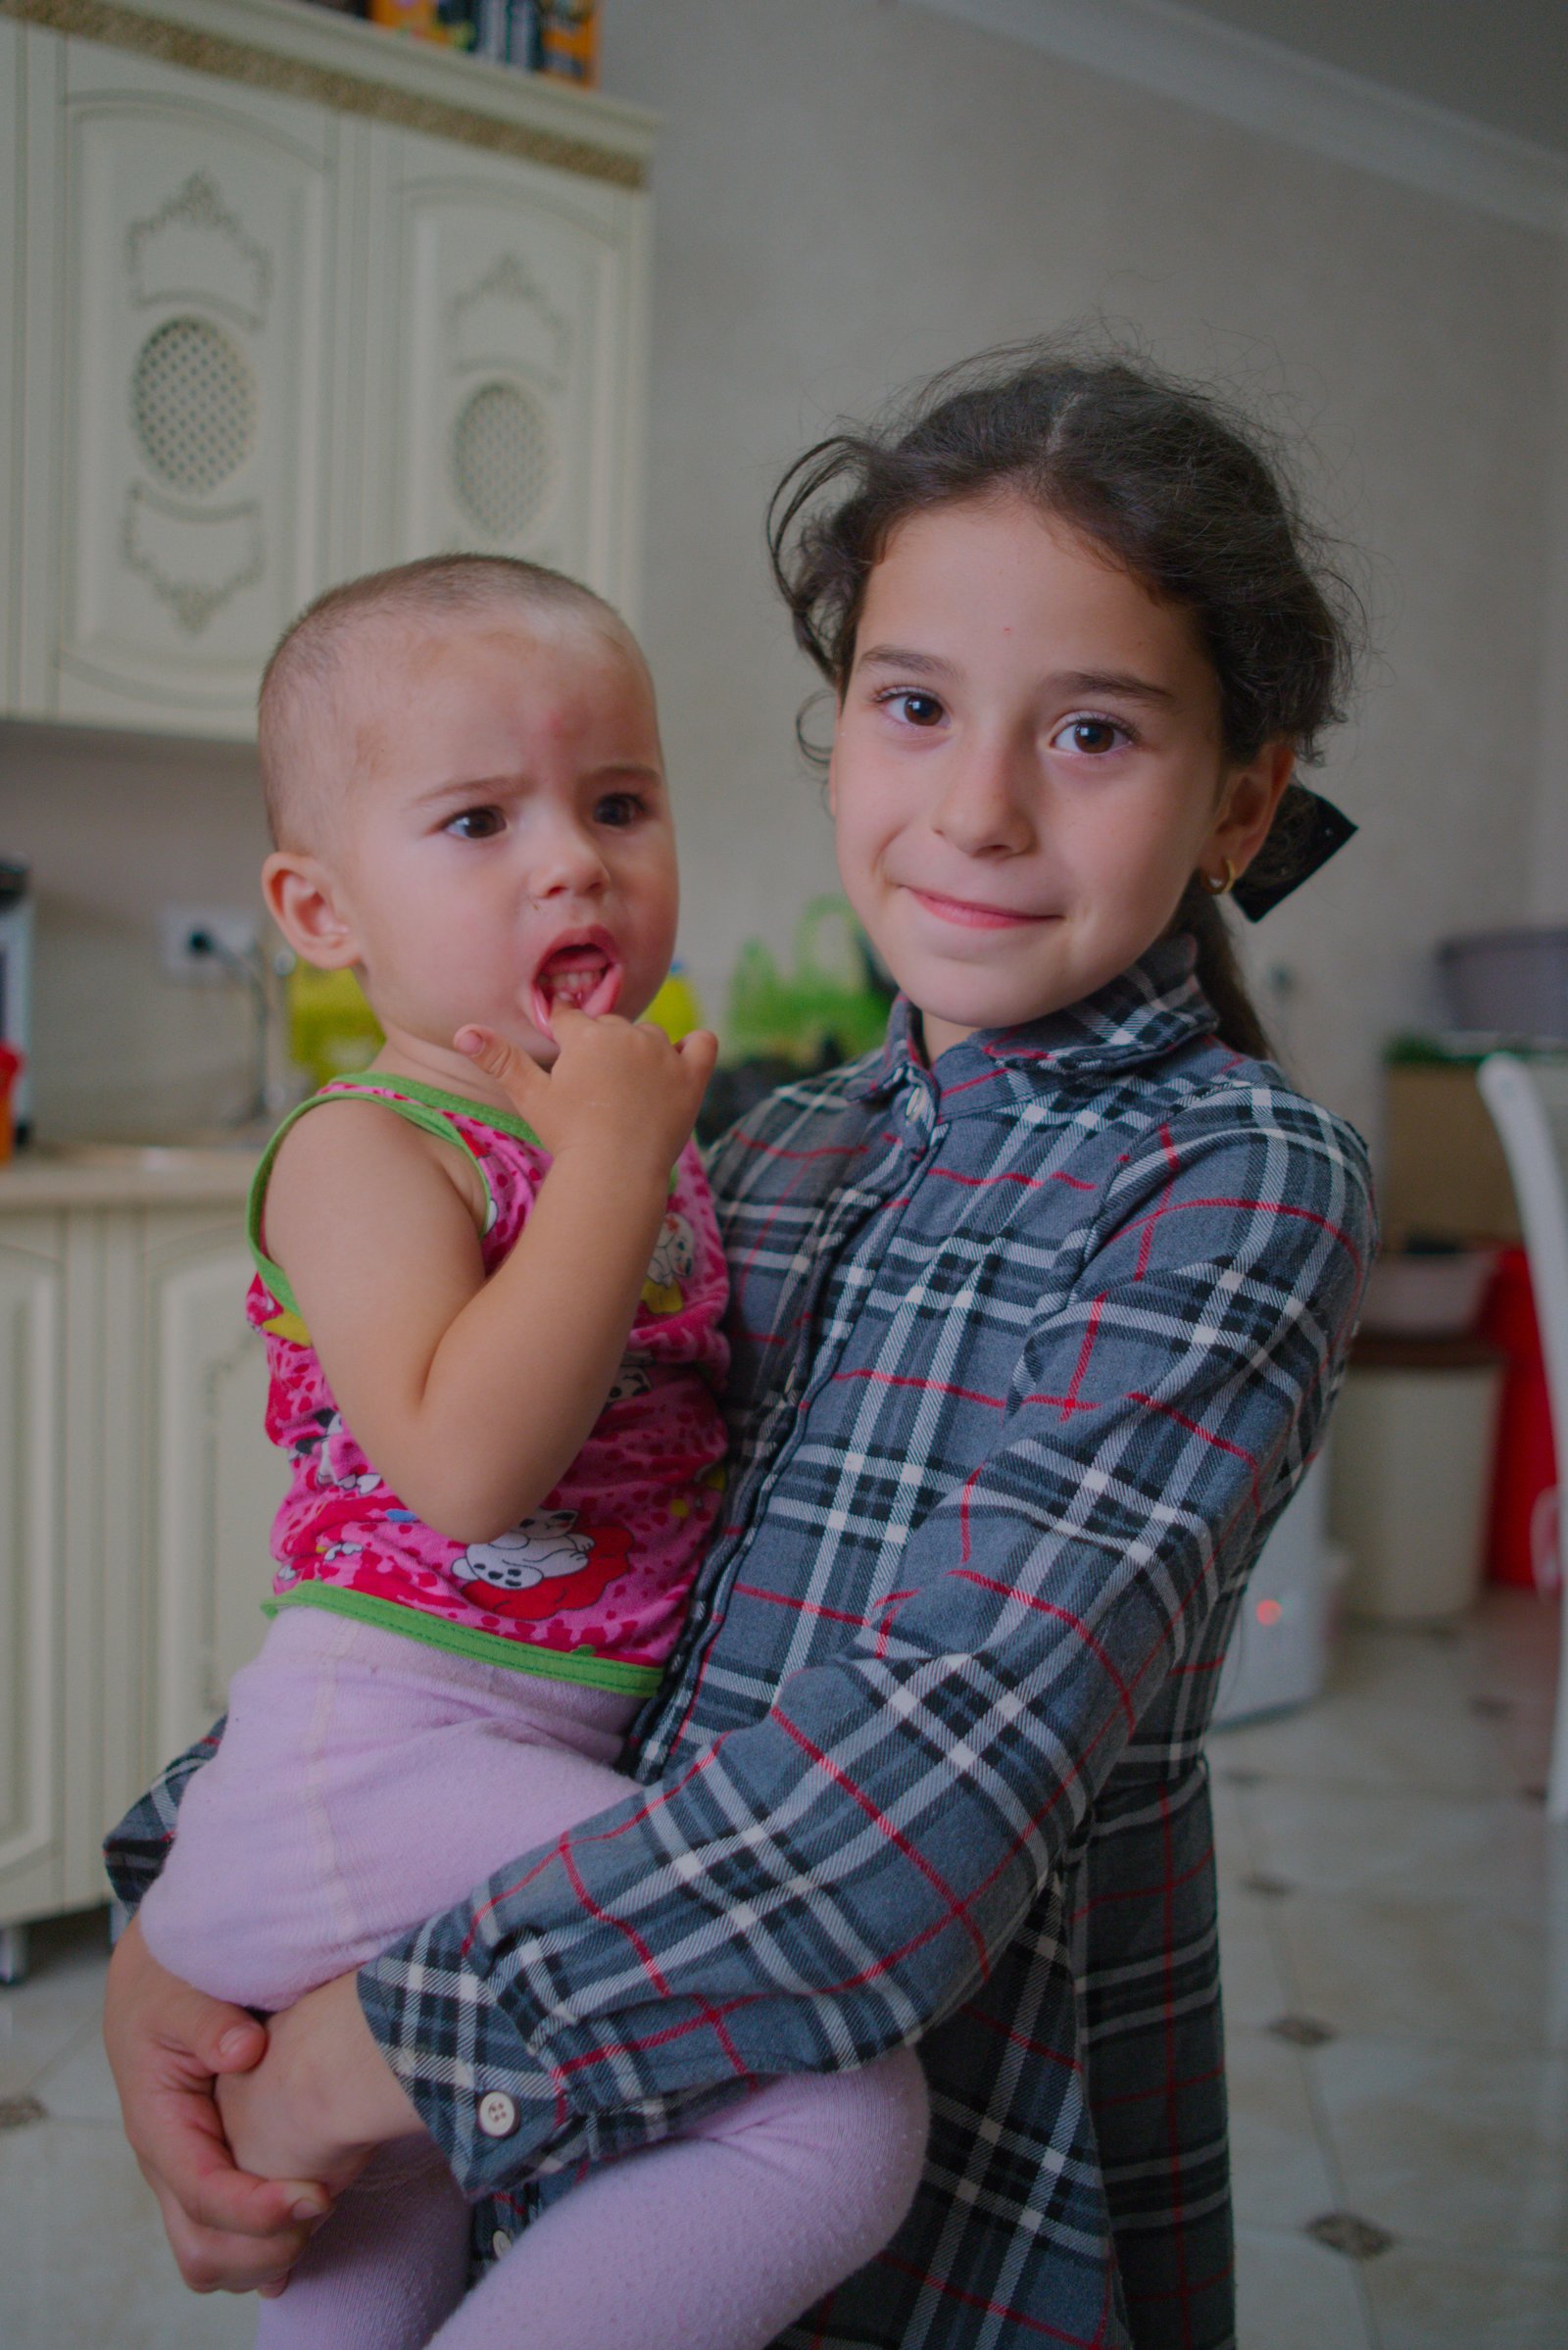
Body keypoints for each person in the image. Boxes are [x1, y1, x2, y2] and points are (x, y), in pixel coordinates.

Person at [105, 345, 1374, 2350]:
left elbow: (911, 1812)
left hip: (954, 2157)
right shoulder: (760, 1149)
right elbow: (471, 1560)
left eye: (1098, 731)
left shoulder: (1233, 1183)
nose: (971, 804)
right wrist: (177, 1907)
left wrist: (370, 2040)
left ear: (1239, 798)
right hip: (587, 2097)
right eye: (910, 704)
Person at [123, 554, 930, 2350]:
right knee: (833, 2107)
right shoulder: (366, 1147)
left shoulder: (605, 1132)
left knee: (402, 2187)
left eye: (620, 803)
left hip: (495, 1747)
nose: (573, 860)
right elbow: (468, 1466)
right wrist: (618, 1163)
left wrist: (621, 1153)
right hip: (387, 1749)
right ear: (319, 909)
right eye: (480, 818)